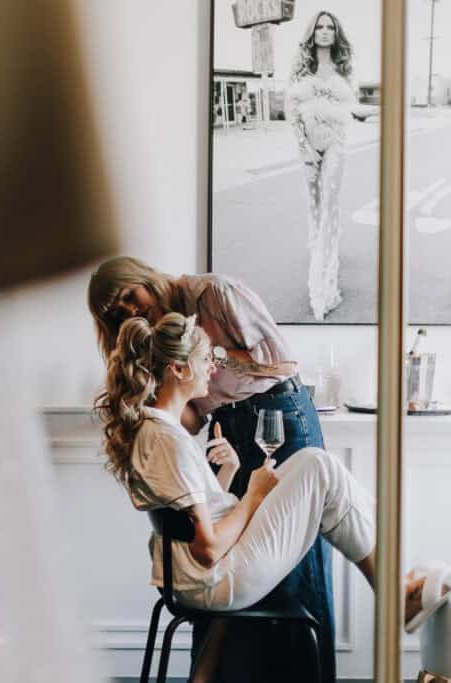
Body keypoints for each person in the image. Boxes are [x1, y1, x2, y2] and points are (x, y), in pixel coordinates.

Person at [95, 312, 425, 682]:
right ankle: (396, 591)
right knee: (319, 467)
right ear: (179, 369)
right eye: (206, 360)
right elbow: (206, 548)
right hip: (215, 580)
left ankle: (395, 581)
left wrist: (229, 473)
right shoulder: (166, 440)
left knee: (312, 466)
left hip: (199, 576)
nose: (214, 370)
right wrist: (252, 495)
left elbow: (194, 525)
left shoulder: (157, 430)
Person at [87, 256, 334, 681]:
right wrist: (152, 385)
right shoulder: (162, 347)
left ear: (145, 278)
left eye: (129, 296)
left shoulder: (214, 294)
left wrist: (210, 353)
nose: (129, 310)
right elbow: (192, 419)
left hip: (280, 417)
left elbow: (281, 364)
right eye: (117, 312)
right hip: (231, 430)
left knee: (295, 563)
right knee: (233, 556)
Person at [285, 11, 374, 321]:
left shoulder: (344, 68)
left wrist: (378, 112)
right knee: (314, 205)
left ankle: (324, 285)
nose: (324, 32)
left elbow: (351, 109)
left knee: (329, 208)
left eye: (330, 27)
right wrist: (304, 147)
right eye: (320, 27)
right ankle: (319, 251)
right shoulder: (300, 67)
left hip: (336, 143)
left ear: (336, 34)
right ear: (313, 32)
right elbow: (292, 110)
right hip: (308, 146)